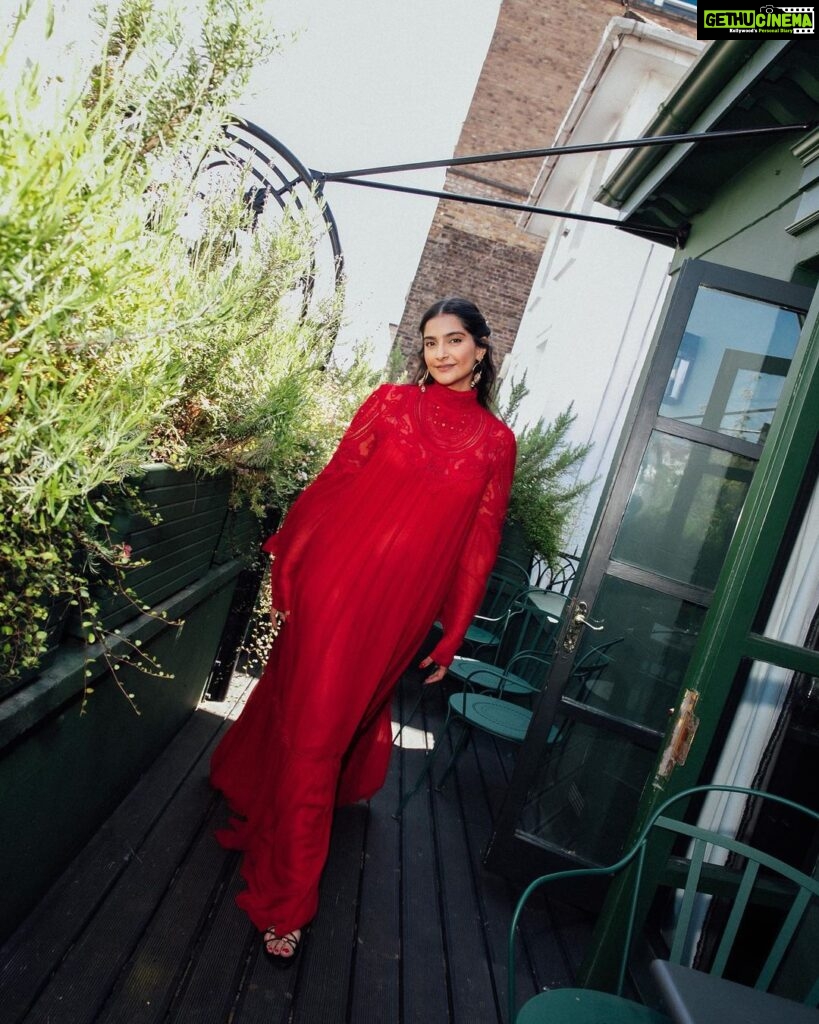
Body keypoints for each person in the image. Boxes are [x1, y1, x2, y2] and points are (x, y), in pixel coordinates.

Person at [210, 296, 517, 965]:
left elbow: (478, 547)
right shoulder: (388, 404)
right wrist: (289, 558)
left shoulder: (497, 444)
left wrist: (453, 630)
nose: (440, 353)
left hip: (402, 613)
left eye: (454, 340)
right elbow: (335, 480)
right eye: (430, 341)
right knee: (318, 734)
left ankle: (251, 782)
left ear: (481, 349)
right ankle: (286, 900)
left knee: (319, 718)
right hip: (334, 585)